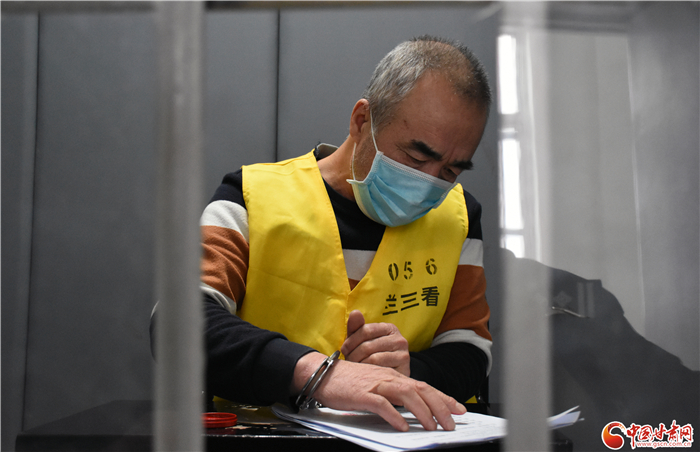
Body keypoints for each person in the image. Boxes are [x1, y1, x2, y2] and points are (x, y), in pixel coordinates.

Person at [190, 35, 491, 432]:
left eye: (451, 170)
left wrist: (409, 372)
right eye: (416, 157)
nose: (429, 184)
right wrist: (317, 373)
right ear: (362, 121)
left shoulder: (458, 217)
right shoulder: (249, 197)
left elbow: (471, 352)